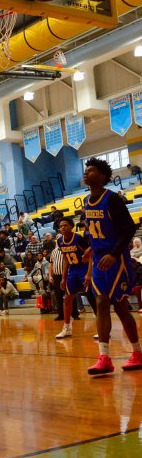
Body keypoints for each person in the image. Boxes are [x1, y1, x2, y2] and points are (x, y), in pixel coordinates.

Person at [83, 157, 142, 374]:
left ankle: (137, 352)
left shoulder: (113, 199)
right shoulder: (87, 202)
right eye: (86, 170)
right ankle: (104, 357)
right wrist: (91, 247)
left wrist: (114, 253)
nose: (86, 173)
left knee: (119, 306)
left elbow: (128, 229)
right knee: (100, 302)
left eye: (91, 170)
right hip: (99, 259)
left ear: (103, 176)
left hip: (116, 260)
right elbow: (93, 231)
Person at [55, 218, 97, 340]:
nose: (63, 227)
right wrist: (63, 277)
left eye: (65, 225)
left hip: (83, 268)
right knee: (67, 298)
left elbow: (89, 255)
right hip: (72, 270)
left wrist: (89, 273)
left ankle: (101, 326)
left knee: (91, 296)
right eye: (61, 226)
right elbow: (65, 259)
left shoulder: (78, 238)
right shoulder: (59, 241)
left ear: (72, 226)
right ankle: (67, 327)